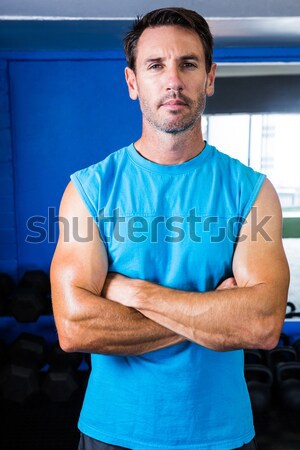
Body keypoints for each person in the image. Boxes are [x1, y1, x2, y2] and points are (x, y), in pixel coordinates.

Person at [50, 7, 290, 450]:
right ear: (132, 82)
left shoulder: (251, 191)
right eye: (156, 65)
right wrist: (213, 317)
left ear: (210, 78)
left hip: (220, 434)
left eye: (188, 63)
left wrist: (133, 293)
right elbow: (75, 328)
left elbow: (260, 324)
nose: (173, 80)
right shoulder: (88, 190)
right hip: (114, 431)